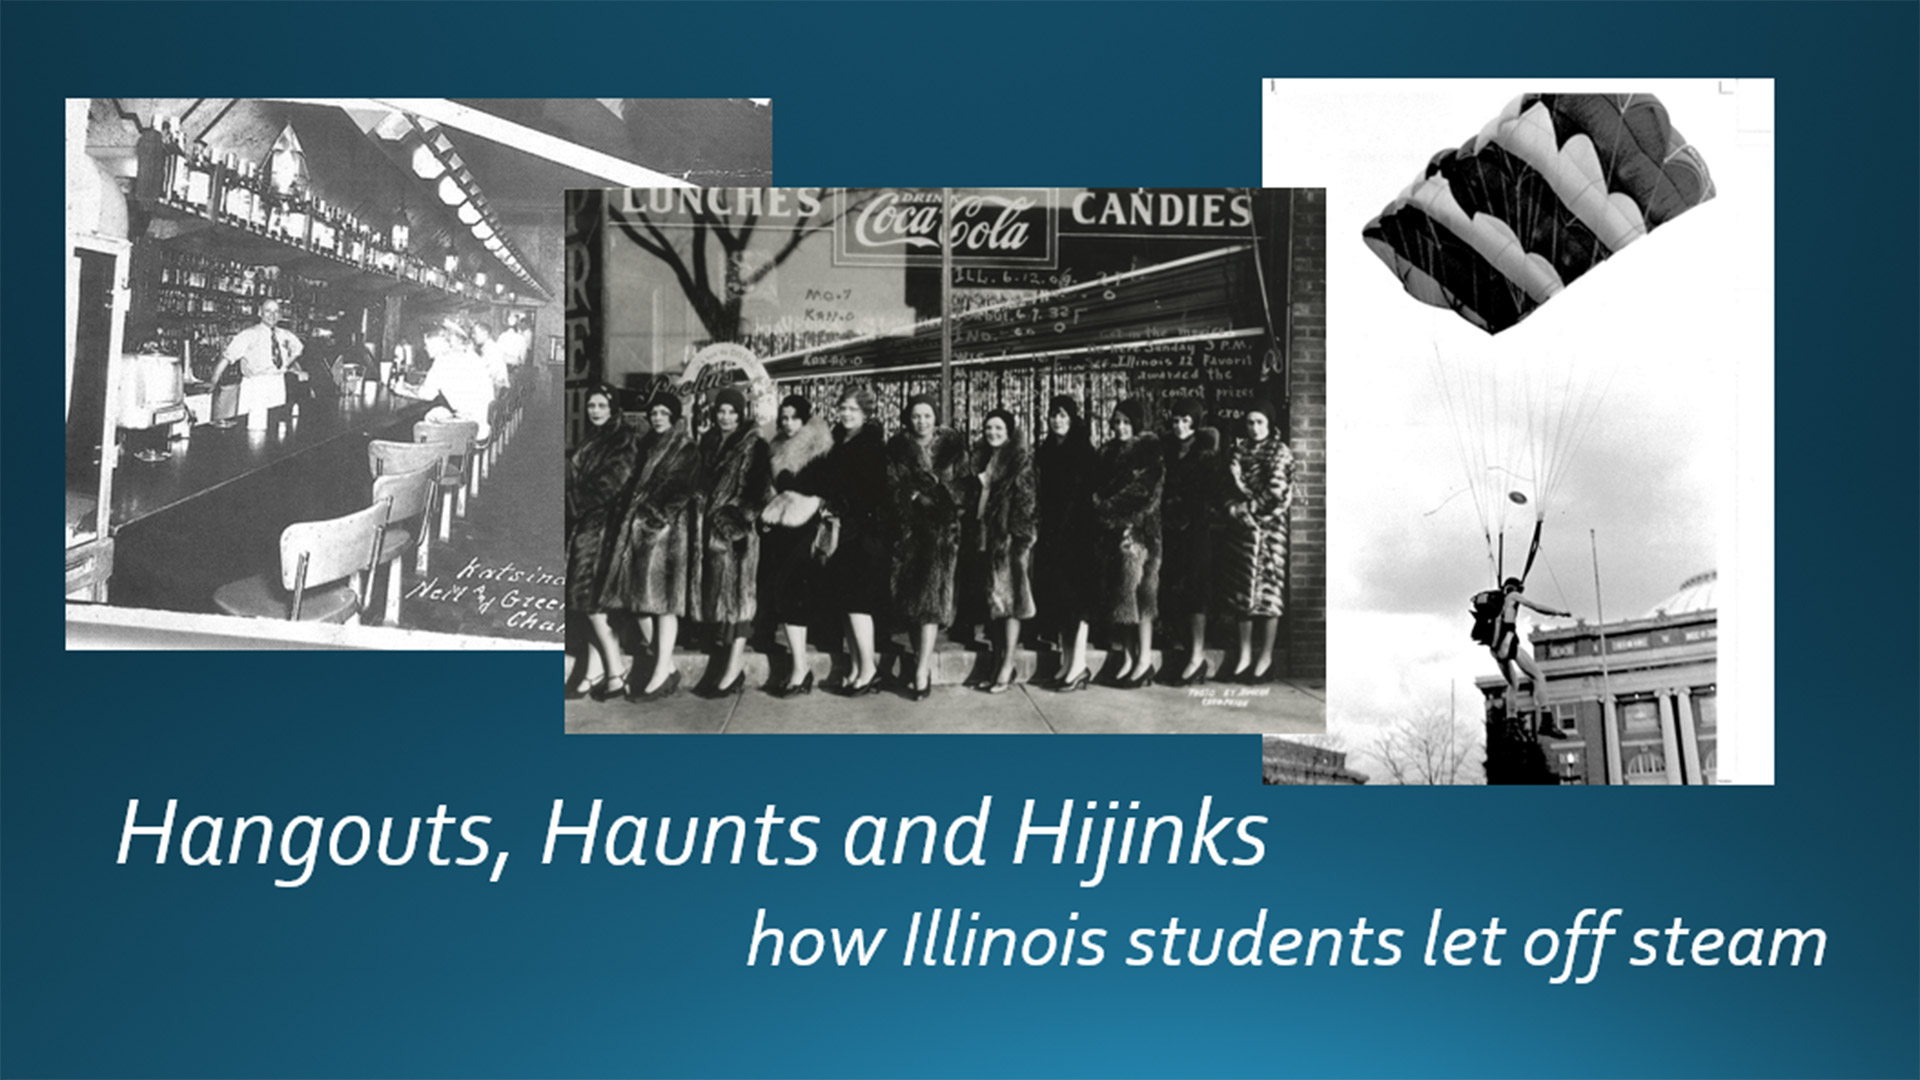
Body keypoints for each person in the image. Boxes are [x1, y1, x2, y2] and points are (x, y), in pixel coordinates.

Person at [604, 390, 700, 701]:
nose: (657, 417)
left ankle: (661, 672)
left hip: (666, 537)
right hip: (639, 535)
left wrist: (653, 516)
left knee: (663, 605)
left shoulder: (685, 448)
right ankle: (667, 666)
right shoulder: (646, 445)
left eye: (663, 413)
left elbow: (683, 491)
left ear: (673, 417)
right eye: (654, 412)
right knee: (639, 604)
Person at [887, 394, 968, 700]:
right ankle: (919, 658)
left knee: (931, 603)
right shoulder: (897, 448)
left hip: (939, 534)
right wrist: (909, 496)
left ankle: (922, 669)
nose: (922, 421)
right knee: (911, 602)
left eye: (927, 415)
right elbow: (890, 484)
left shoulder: (952, 447)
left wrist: (938, 496)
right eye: (916, 416)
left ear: (936, 418)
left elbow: (964, 486)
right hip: (908, 533)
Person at [694, 387, 771, 698]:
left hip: (738, 534)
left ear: (741, 415)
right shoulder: (710, 441)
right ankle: (725, 665)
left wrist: (735, 520)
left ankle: (732, 670)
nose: (726, 417)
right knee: (720, 599)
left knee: (739, 600)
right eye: (721, 411)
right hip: (711, 533)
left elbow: (759, 493)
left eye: (732, 412)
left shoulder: (755, 445)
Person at [757, 395, 835, 696]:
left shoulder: (819, 447)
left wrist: (790, 484)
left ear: (805, 420)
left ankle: (800, 669)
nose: (788, 423)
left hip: (806, 529)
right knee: (784, 596)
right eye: (784, 417)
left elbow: (819, 487)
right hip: (781, 530)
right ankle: (798, 667)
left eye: (793, 417)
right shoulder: (775, 447)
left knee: (794, 596)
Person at [816, 386, 890, 696]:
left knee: (858, 602)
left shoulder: (870, 444)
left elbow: (872, 493)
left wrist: (840, 506)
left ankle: (869, 670)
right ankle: (859, 667)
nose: (846, 414)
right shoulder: (840, 440)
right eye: (843, 408)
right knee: (848, 603)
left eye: (853, 410)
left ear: (865, 413)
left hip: (862, 533)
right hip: (843, 531)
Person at [565, 385, 638, 700]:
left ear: (613, 409)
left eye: (601, 406)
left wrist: (570, 502)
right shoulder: (595, 437)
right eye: (592, 405)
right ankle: (594, 672)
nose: (595, 411)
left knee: (594, 605)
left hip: (603, 531)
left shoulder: (621, 440)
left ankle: (616, 672)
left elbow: (610, 485)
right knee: (588, 605)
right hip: (587, 528)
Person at [960, 408, 1037, 694]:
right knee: (995, 605)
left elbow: (1027, 504)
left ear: (1009, 432)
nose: (993, 433)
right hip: (984, 539)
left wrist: (1017, 541)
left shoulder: (1020, 462)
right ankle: (998, 662)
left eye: (999, 429)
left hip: (1007, 543)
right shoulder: (981, 458)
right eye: (989, 428)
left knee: (1011, 604)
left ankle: (1007, 665)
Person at [1091, 398, 1164, 689]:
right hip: (1114, 537)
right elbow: (1095, 487)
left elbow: (1142, 494)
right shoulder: (1107, 452)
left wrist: (1106, 508)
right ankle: (1130, 657)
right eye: (1117, 421)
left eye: (1126, 422)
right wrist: (1100, 505)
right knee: (1124, 602)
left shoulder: (1149, 453)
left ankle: (1145, 660)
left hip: (1141, 536)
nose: (1121, 427)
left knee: (1143, 599)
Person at [1222, 400, 1297, 683]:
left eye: (1260, 422)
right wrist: (1233, 508)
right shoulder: (1237, 453)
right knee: (1242, 596)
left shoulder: (1280, 452)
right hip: (1241, 533)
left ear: (1270, 424)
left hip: (1269, 531)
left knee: (1268, 596)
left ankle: (1265, 659)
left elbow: (1277, 492)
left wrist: (1250, 509)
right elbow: (1227, 489)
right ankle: (1244, 656)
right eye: (1250, 422)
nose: (1254, 428)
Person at [1035, 394, 1099, 692]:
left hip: (1078, 537)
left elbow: (1085, 498)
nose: (1057, 420)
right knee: (1060, 602)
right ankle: (1066, 663)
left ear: (1072, 418)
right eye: (1053, 415)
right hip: (1052, 536)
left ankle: (1079, 665)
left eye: (1062, 415)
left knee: (1077, 602)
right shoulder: (1046, 450)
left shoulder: (1083, 451)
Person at [1159, 396, 1223, 685]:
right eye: (1176, 420)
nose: (1180, 426)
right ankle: (1185, 652)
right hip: (1170, 532)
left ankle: (1197, 656)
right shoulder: (1166, 451)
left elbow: (1212, 493)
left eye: (1186, 421)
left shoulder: (1207, 453)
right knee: (1174, 593)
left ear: (1196, 423)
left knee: (1196, 593)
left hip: (1196, 532)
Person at [1491, 577, 1574, 739]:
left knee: (1513, 683)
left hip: (1495, 649)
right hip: (1509, 644)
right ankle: (1546, 720)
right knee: (1538, 677)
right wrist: (1557, 612)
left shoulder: (1498, 600)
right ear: (1516, 588)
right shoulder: (1513, 596)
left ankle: (1511, 723)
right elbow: (1535, 607)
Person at [390, 324, 496, 442]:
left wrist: (402, 390)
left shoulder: (442, 361)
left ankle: (432, 457)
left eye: (427, 344)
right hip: (482, 424)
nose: (425, 348)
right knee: (437, 412)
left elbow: (427, 395)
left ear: (438, 344)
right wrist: (410, 387)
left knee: (426, 421)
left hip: (469, 429)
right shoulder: (471, 356)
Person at [209, 298, 303, 426]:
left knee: (274, 424)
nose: (272, 315)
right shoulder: (249, 334)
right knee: (252, 426)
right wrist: (213, 381)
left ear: (280, 315)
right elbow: (226, 358)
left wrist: (286, 364)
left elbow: (298, 349)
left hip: (277, 383)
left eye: (276, 311)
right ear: (260, 313)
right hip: (256, 385)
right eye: (268, 311)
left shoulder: (284, 334)